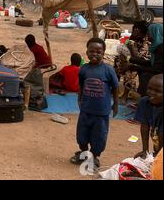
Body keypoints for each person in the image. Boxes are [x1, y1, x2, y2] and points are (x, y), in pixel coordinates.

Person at [70, 37, 119, 169]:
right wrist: (79, 99)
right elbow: (81, 85)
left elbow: (115, 87)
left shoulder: (108, 70)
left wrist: (115, 104)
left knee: (99, 136)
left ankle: (94, 157)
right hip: (86, 110)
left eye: (98, 52)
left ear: (103, 53)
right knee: (82, 134)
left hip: (101, 112)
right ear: (87, 52)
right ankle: (84, 152)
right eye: (92, 51)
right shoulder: (84, 69)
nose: (95, 54)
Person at [126, 23, 163, 96]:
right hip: (158, 70)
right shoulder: (157, 46)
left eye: (149, 33)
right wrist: (131, 60)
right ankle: (142, 98)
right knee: (142, 71)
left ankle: (146, 98)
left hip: (160, 73)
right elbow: (152, 63)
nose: (148, 36)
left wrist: (135, 68)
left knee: (145, 74)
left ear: (156, 33)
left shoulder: (161, 49)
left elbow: (157, 69)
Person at [116, 21, 150, 99]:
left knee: (130, 69)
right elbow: (124, 50)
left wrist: (132, 47)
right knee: (117, 62)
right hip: (130, 59)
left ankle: (126, 94)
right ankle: (115, 88)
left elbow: (138, 58)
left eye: (138, 29)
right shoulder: (133, 38)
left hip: (142, 62)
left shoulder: (146, 42)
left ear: (143, 31)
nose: (135, 30)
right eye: (135, 28)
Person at [134, 74, 163, 159]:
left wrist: (158, 156)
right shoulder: (144, 102)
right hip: (158, 145)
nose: (151, 93)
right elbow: (144, 126)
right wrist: (145, 151)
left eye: (158, 91)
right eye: (149, 88)